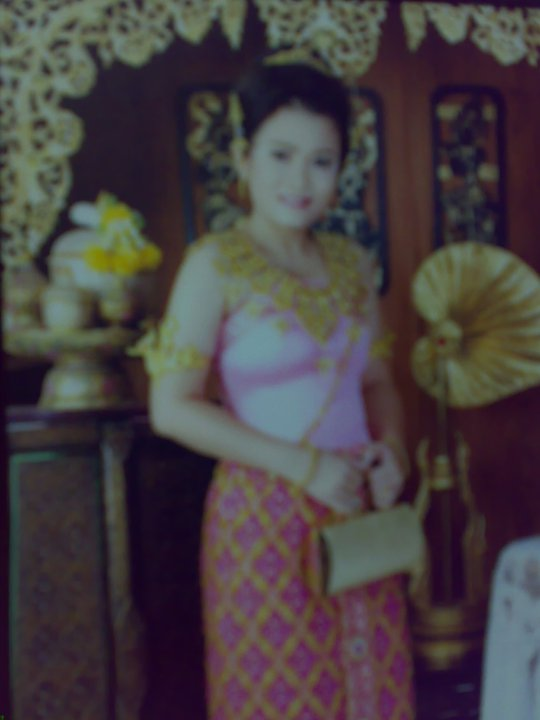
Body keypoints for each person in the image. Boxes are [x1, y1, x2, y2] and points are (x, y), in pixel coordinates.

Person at [140, 54, 415, 720]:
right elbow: (171, 408)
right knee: (281, 695)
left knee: (370, 689)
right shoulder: (215, 264)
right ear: (244, 157)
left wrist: (395, 452)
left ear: (341, 170)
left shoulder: (353, 265)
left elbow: (377, 381)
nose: (300, 180)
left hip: (357, 508)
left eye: (321, 161)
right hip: (263, 517)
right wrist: (305, 466)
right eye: (281, 155)